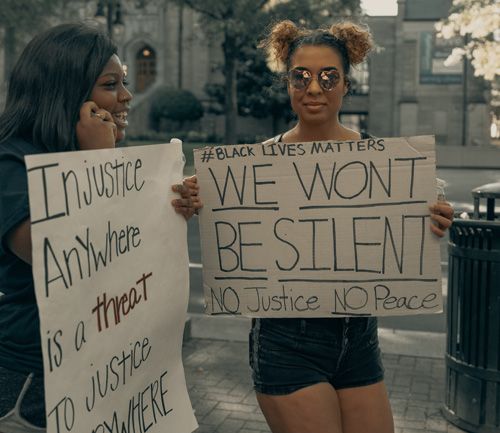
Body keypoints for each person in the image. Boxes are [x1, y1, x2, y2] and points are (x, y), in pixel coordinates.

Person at [243, 21, 454, 433]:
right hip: (287, 342)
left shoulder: (384, 162)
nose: (314, 88)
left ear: (345, 83)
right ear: (287, 82)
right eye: (300, 76)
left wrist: (428, 223)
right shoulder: (257, 166)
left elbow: (405, 238)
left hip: (358, 339)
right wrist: (195, 199)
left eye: (328, 77)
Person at [0, 23, 198, 433]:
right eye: (111, 84)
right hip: (33, 380)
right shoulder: (11, 163)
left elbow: (127, 251)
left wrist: (172, 208)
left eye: (125, 81)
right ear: (67, 90)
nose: (126, 96)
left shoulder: (87, 152)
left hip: (104, 366)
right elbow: (61, 258)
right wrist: (98, 161)